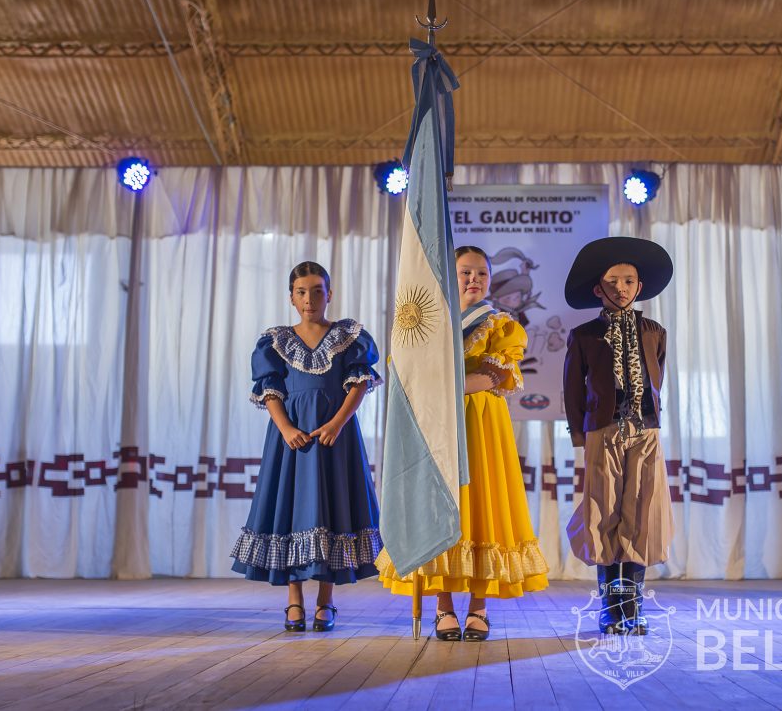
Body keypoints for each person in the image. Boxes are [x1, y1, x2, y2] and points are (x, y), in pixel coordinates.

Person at [376, 245, 549, 641]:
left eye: (482, 275)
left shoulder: (500, 324)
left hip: (480, 422)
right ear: (449, 277)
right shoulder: (427, 324)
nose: (474, 280)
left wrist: (440, 387)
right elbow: (402, 370)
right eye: (465, 273)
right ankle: (443, 607)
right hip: (437, 425)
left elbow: (493, 376)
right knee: (441, 506)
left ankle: (478, 606)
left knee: (480, 504)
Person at [231, 261, 383, 632]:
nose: (310, 298)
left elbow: (359, 384)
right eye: (302, 292)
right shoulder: (276, 341)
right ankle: (294, 601)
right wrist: (284, 427)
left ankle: (326, 602)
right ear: (291, 297)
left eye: (318, 290)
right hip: (292, 439)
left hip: (336, 435)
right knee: (291, 511)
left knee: (333, 508)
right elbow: (270, 390)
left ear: (330, 294)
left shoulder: (349, 335)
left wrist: (337, 423)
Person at [562, 237, 674, 635]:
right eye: (613, 282)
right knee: (604, 511)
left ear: (639, 287)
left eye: (629, 281)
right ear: (599, 289)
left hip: (645, 430)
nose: (621, 288)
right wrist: (582, 435)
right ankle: (611, 605)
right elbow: (572, 390)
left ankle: (634, 605)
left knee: (641, 512)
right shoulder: (585, 335)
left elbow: (658, 376)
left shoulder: (655, 331)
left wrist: (653, 420)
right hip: (603, 431)